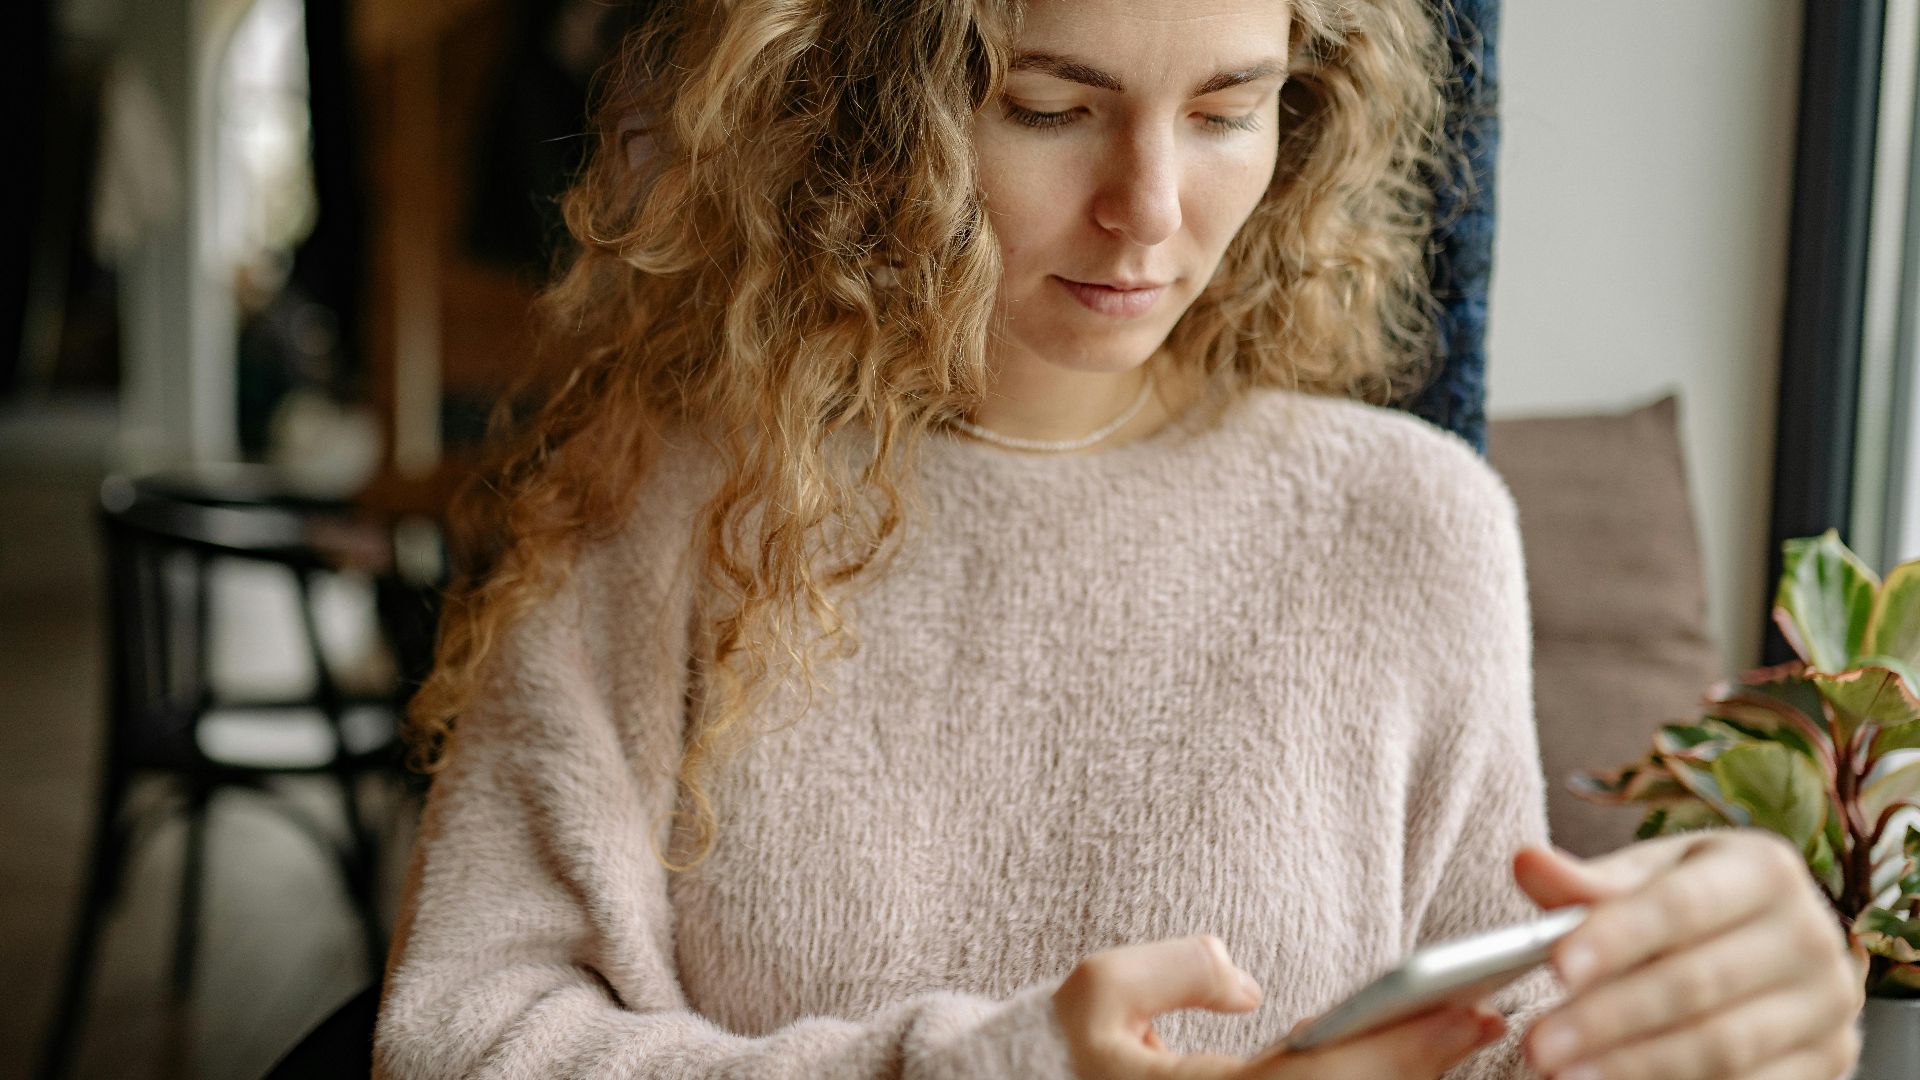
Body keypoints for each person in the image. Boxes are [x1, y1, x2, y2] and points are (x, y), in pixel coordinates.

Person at [372, 1, 1867, 1077]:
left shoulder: (1410, 526)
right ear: (866, 93)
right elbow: (463, 1038)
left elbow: (1492, 1040)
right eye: (1050, 105)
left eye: (1228, 109)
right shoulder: (661, 512)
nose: (1148, 212)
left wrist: (1711, 1018)